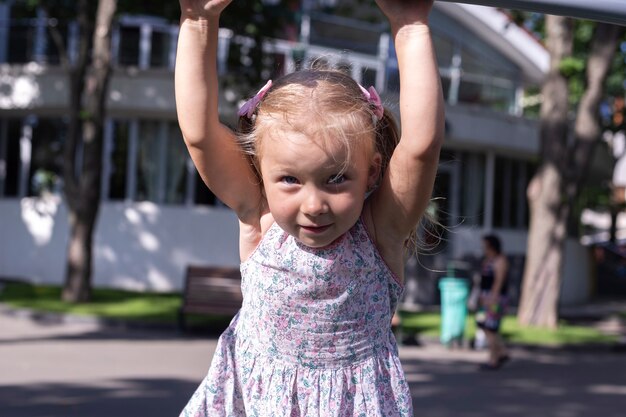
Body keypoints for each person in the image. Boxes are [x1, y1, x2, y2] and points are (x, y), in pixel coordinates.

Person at [175, 0, 444, 414]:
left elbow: (421, 148)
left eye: (336, 178)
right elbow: (199, 135)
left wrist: (409, 26)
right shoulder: (260, 216)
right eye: (290, 180)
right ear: (260, 174)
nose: (314, 204)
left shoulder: (380, 230)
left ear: (372, 173)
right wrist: (198, 19)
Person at [476, 234, 510, 370]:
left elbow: (498, 282)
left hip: (495, 299)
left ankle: (493, 359)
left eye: (485, 245)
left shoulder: (500, 260)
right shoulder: (488, 260)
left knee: (491, 328)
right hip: (486, 298)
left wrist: (491, 299)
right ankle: (502, 352)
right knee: (483, 325)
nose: (483, 248)